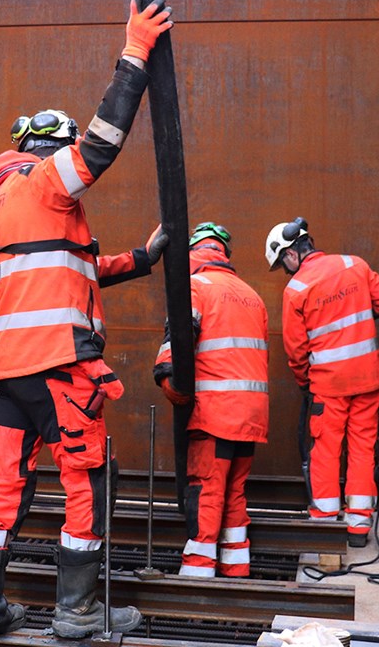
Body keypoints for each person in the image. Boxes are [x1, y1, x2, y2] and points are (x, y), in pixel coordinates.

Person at [0, 0, 174, 643]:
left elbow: (71, 268)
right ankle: (78, 610)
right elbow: (105, 139)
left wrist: (140, 257)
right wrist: (136, 50)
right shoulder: (47, 181)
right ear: (50, 147)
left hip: (11, 372)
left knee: (1, 485)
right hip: (59, 362)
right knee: (86, 477)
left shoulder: (0, 207)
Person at [264, 217, 379, 547]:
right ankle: (358, 526)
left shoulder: (297, 289)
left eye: (284, 264)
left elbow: (296, 351)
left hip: (328, 385)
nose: (287, 271)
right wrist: (356, 318)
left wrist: (302, 382)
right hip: (369, 378)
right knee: (363, 447)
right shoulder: (355, 264)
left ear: (291, 254)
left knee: (325, 447)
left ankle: (324, 521)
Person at [153, 223, 268, 577]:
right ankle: (236, 572)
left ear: (192, 253)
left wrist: (168, 380)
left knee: (205, 492)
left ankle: (197, 576)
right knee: (234, 495)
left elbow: (179, 344)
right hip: (252, 416)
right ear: (224, 254)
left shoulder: (195, 286)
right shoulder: (252, 295)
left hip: (215, 413)